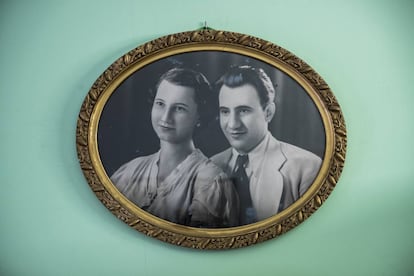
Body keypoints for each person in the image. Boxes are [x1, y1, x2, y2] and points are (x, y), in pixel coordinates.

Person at [111, 68, 238, 228]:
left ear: (199, 115)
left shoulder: (211, 181)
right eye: (160, 104)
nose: (165, 117)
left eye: (179, 108)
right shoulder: (130, 170)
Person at [211, 65, 322, 226]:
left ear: (268, 112)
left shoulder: (306, 167)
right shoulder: (211, 165)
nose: (232, 124)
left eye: (243, 111)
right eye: (225, 111)